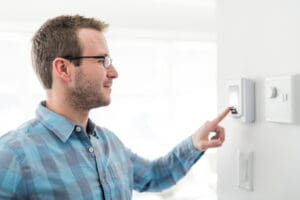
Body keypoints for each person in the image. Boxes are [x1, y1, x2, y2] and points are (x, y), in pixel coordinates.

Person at [0, 15, 230, 199]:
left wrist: (194, 144)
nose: (114, 72)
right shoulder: (12, 154)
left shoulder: (109, 143)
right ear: (63, 69)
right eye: (102, 61)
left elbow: (155, 176)